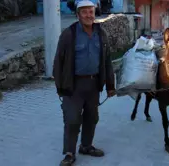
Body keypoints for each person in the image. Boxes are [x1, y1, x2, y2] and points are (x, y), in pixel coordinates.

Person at [52, 0, 116, 165]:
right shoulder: (69, 34)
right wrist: (60, 87)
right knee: (72, 119)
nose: (89, 15)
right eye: (85, 12)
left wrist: (110, 85)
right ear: (78, 14)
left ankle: (86, 146)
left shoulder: (101, 34)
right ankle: (69, 153)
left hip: (94, 84)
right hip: (73, 86)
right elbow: (58, 62)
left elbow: (107, 61)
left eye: (91, 11)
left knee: (91, 117)